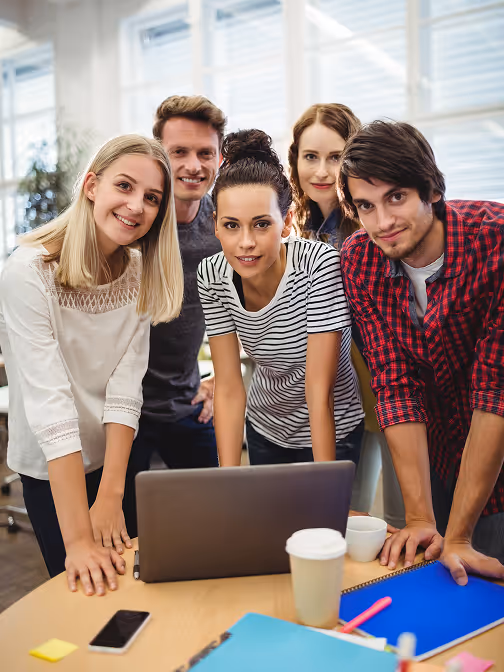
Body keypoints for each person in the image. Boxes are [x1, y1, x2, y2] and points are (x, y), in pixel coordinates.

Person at [0, 135, 183, 594]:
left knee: (135, 584)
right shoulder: (26, 271)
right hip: (50, 463)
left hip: (114, 457)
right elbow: (50, 403)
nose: (137, 205)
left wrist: (110, 494)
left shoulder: (141, 269)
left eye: (152, 198)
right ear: (91, 186)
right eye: (125, 186)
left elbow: (126, 386)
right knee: (82, 587)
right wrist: (79, 538)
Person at [338, 119, 504, 585]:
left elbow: (495, 391)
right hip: (436, 457)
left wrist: (460, 535)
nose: (383, 223)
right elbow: (394, 385)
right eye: (366, 206)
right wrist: (419, 519)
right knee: (441, 581)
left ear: (430, 187)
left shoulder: (495, 240)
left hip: (497, 452)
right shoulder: (359, 258)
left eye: (396, 197)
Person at [197, 129, 364, 467]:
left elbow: (320, 393)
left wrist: (325, 483)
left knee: (325, 516)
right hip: (266, 427)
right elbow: (229, 388)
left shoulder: (319, 266)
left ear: (286, 222)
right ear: (215, 225)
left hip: (334, 429)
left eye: (261, 224)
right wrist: (227, 482)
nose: (245, 242)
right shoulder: (212, 275)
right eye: (231, 225)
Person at [288, 103, 405, 526]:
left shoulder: (372, 224)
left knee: (403, 515)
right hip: (338, 394)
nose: (321, 171)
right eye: (310, 157)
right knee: (344, 512)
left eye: (335, 157)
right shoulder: (300, 228)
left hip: (390, 385)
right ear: (295, 160)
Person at [123, 96, 225, 538]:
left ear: (220, 157)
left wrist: (222, 378)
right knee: (125, 537)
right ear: (158, 155)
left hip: (186, 401)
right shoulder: (134, 221)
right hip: (123, 408)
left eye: (205, 153)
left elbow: (246, 305)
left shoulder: (225, 222)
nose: (193, 165)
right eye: (179, 152)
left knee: (217, 522)